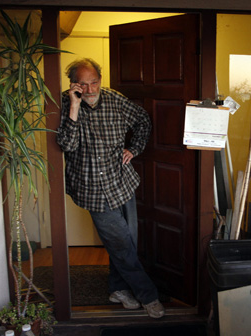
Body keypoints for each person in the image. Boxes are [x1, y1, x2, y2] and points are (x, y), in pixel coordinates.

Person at [57, 58, 165, 318]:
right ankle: (148, 296)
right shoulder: (62, 103)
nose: (91, 89)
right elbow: (66, 145)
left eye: (95, 82)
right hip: (93, 189)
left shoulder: (115, 100)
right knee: (121, 244)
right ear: (73, 84)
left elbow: (143, 120)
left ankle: (117, 289)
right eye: (83, 84)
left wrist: (134, 148)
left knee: (127, 242)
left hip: (121, 182)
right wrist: (74, 105)